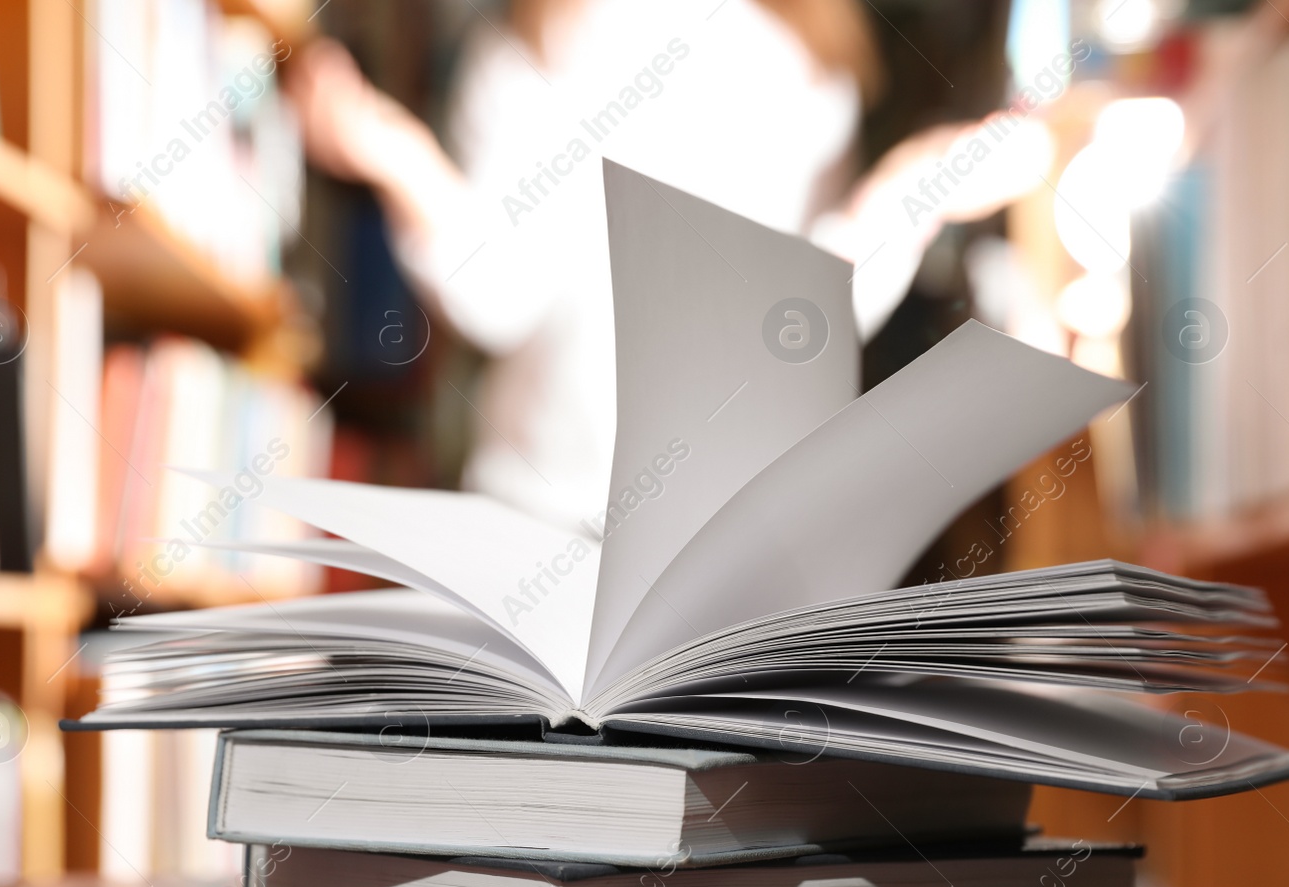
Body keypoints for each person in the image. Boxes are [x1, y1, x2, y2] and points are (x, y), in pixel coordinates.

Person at [291, 0, 1049, 529]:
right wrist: (397, 158)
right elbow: (500, 294)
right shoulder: (535, 39)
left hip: (726, 530)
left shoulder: (814, 58)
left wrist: (910, 194)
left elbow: (804, 319)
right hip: (538, 509)